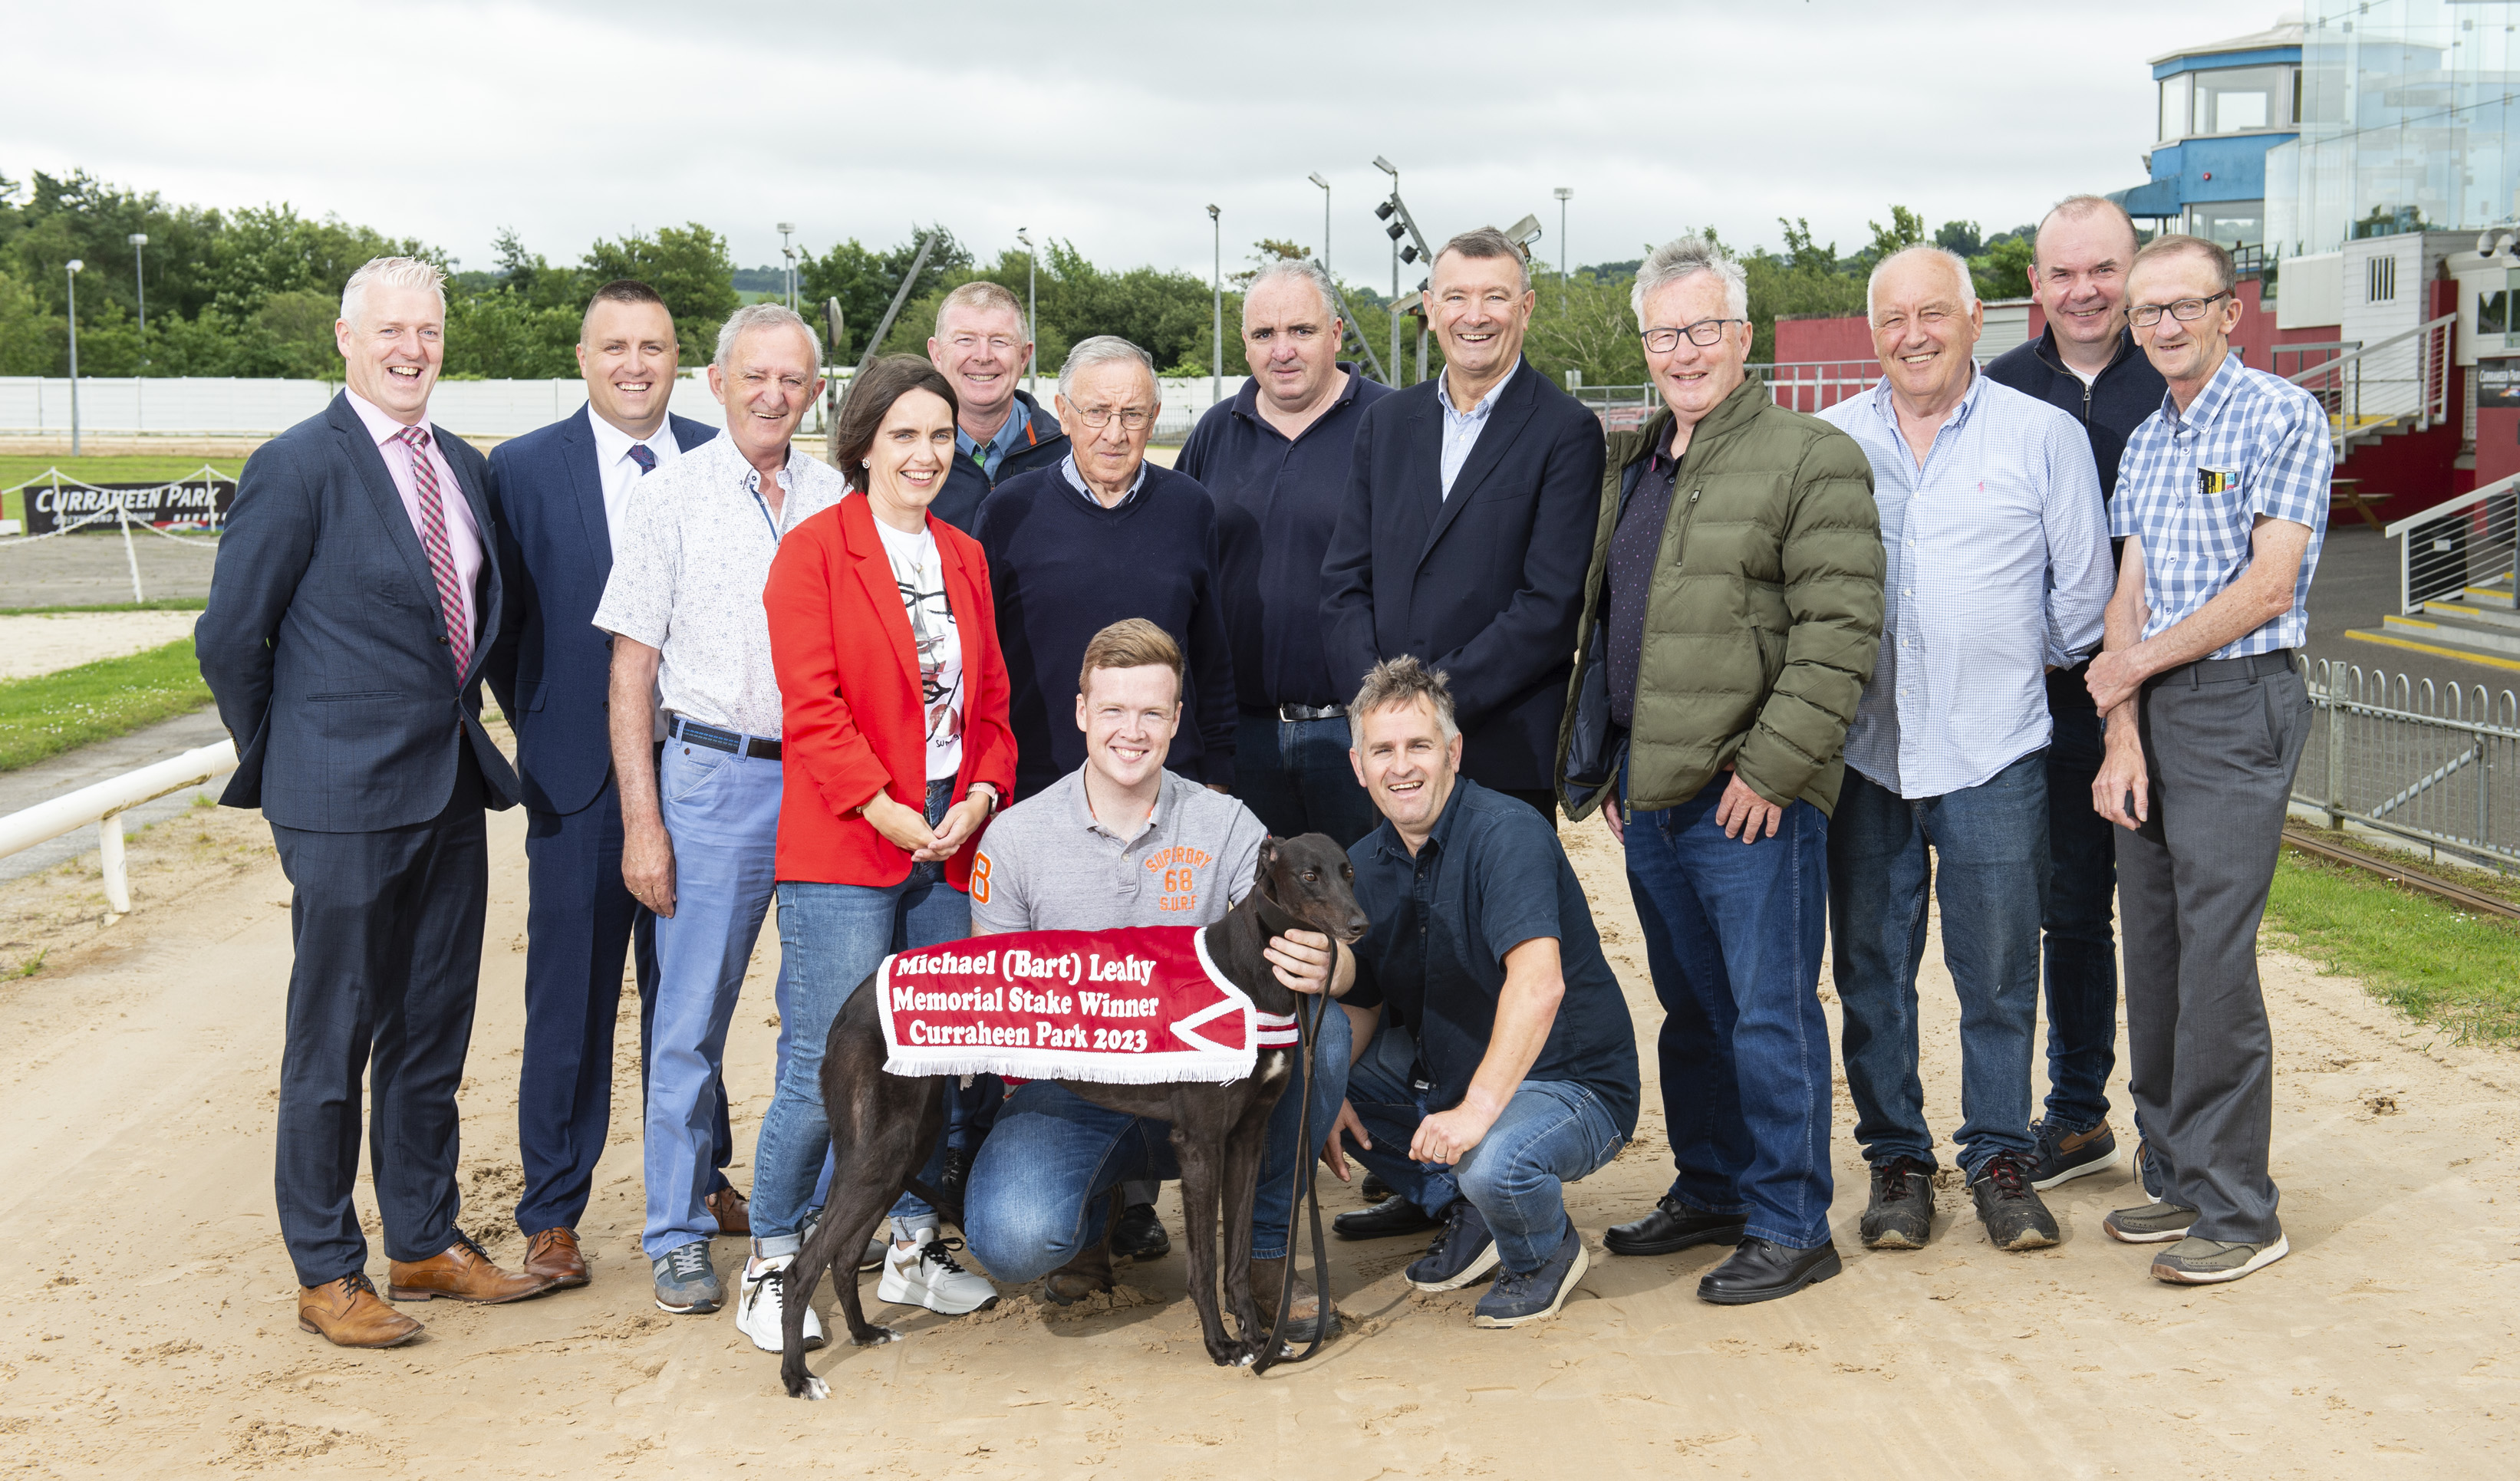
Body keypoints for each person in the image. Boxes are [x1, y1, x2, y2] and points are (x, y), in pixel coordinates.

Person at [197, 255, 553, 1348]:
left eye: (430, 330)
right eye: (392, 328)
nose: (412, 348)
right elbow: (228, 638)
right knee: (334, 1034)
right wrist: (290, 760)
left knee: (431, 1027)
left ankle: (424, 1237)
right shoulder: (297, 465)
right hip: (339, 797)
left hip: (447, 786)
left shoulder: (460, 463)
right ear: (346, 339)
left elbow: (475, 620)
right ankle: (325, 1267)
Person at [1557, 235, 1883, 1305]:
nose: (1683, 351)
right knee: (1692, 1010)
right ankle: (1714, 1186)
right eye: (1664, 334)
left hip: (1749, 802)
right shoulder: (1639, 458)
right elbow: (1615, 624)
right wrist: (1608, 766)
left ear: (1742, 336)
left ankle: (1792, 1221)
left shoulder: (1809, 455)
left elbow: (1838, 635)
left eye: (1703, 329)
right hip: (1650, 797)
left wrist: (1772, 772)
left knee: (1767, 1010)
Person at [1815, 246, 2113, 1255]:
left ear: (1973, 316)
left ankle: (1998, 1156)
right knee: (1869, 969)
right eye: (1893, 318)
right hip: (1864, 756)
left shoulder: (2042, 436)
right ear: (1873, 332)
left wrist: (1991, 658)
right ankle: (1897, 1158)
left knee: (1994, 973)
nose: (1913, 335)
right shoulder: (1831, 442)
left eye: (1932, 313)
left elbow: (2080, 598)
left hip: (1995, 753)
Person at [960, 620, 1352, 1340]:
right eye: (1112, 710)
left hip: (1215, 1087)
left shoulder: (1227, 824)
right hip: (1080, 1091)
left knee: (1321, 1035)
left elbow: (1314, 942)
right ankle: (1098, 1213)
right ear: (1081, 713)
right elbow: (1002, 1008)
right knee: (1013, 1236)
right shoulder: (1015, 837)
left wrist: (1332, 965)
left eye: (1151, 712)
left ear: (1176, 719)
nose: (1130, 731)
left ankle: (1265, 1254)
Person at [740, 355, 1020, 1352]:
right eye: (904, 434)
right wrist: (890, 810)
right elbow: (811, 711)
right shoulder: (814, 553)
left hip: (950, 835)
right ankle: (774, 1258)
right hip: (851, 835)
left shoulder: (963, 555)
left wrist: (981, 792)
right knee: (829, 1056)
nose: (925, 453)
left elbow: (990, 704)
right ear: (862, 441)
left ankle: (910, 1240)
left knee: (930, 1051)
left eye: (940, 434)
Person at [483, 279, 743, 1292]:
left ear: (681, 358)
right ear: (583, 357)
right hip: (579, 783)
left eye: (654, 345)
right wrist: (554, 727)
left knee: (695, 988)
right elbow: (505, 629)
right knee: (571, 998)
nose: (635, 363)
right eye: (615, 346)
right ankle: (552, 1208)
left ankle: (702, 1173)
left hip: (705, 770)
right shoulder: (520, 469)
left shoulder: (718, 459)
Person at [591, 304, 847, 1317]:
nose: (774, 394)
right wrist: (641, 820)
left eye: (794, 380)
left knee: (822, 1014)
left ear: (815, 393)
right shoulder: (671, 496)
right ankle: (677, 1229)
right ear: (716, 379)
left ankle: (817, 1214)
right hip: (712, 778)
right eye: (757, 376)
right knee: (690, 1020)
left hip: (825, 782)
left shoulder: (835, 495)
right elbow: (630, 673)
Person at [2089, 234, 2328, 1285]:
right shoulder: (2145, 440)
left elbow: (2268, 584)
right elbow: (2130, 589)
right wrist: (2120, 725)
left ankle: (2240, 1207)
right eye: (2148, 311)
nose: (2166, 325)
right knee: (2157, 951)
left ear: (2231, 310)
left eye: (2186, 305)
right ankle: (2180, 1173)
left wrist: (2131, 661)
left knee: (2218, 961)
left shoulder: (2281, 415)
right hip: (2155, 709)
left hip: (2238, 704)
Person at [1326, 657, 1639, 1328]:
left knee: (1494, 1162)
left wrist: (1474, 1114)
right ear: (1358, 765)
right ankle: (1470, 1209)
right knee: (1319, 1080)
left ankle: (1541, 1251)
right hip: (1456, 1080)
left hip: (1571, 1084)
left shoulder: (1507, 833)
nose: (1401, 766)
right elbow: (1364, 1002)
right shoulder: (1368, 863)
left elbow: (1539, 984)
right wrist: (1319, 1095)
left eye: (1419, 745)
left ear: (1453, 752)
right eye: (1382, 750)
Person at [1985, 195, 2169, 1190]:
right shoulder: (1999, 390)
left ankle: (2172, 1124)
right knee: (2069, 912)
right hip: (2051, 704)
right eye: (2063, 273)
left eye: (2103, 269)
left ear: (2132, 273)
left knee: (2164, 914)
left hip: (2169, 694)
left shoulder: (2181, 380)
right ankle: (2075, 1109)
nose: (2084, 290)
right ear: (2035, 286)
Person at [1322, 226, 1605, 821]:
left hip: (1499, 751)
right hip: (1388, 757)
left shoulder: (1565, 431)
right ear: (1429, 307)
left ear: (1524, 308)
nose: (1473, 316)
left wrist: (1430, 708)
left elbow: (1548, 608)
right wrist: (1380, 712)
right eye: (1455, 297)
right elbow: (1344, 582)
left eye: (1494, 297)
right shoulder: (1385, 423)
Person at [1178, 257, 1392, 847]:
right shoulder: (1215, 431)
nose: (1283, 350)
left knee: (1366, 917)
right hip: (1239, 737)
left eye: (1300, 330)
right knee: (1256, 919)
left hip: (1355, 731)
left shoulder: (1394, 423)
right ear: (1245, 345)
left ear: (1335, 334)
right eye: (1264, 334)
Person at [976, 335, 1236, 801]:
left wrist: (1215, 773)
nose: (1114, 434)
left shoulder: (1190, 508)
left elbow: (1211, 655)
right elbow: (981, 664)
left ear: (1154, 418)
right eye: (1096, 412)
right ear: (1064, 413)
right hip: (1041, 788)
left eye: (1132, 414)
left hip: (1169, 784)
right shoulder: (1008, 512)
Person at [926, 281, 1070, 532]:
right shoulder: (902, 458)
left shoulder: (1069, 454)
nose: (983, 356)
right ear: (937, 354)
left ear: (1025, 356)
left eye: (1000, 341)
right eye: (965, 339)